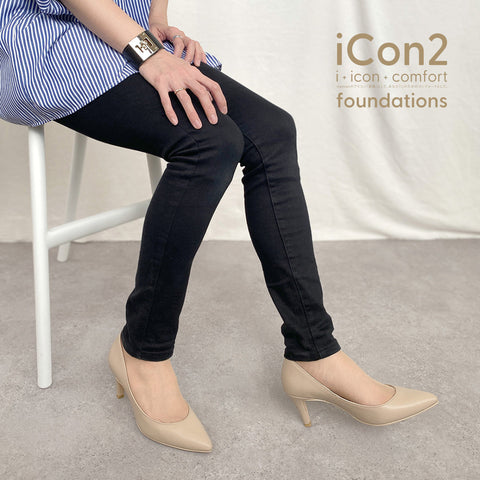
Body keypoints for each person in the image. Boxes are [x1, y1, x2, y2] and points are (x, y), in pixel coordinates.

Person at [0, 0, 438, 453]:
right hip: (51, 38)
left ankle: (315, 351)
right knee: (209, 144)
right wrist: (147, 53)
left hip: (128, 30)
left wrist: (154, 24)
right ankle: (142, 352)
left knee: (272, 132)